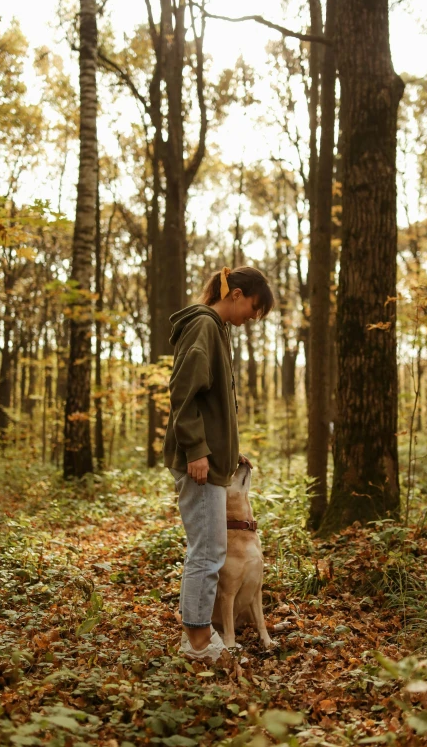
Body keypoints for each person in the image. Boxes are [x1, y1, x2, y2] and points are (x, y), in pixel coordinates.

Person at [163, 265, 274, 661]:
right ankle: (196, 641)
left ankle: (196, 634)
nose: (251, 318)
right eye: (253, 308)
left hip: (212, 461)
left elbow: (214, 406)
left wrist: (228, 452)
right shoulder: (204, 325)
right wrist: (195, 450)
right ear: (236, 294)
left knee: (209, 547)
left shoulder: (216, 330)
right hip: (199, 463)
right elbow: (183, 393)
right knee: (208, 551)